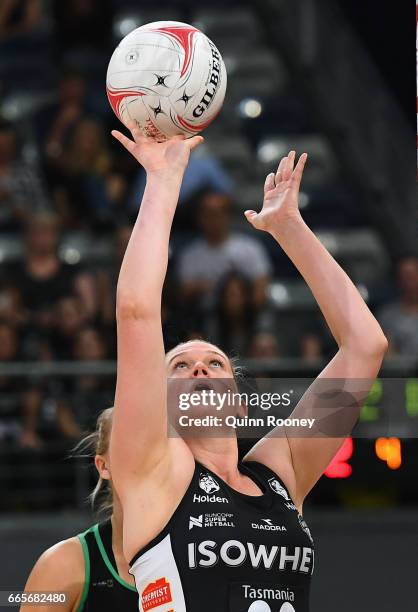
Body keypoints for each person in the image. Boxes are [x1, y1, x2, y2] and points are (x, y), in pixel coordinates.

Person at [108, 123, 387, 611]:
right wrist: (163, 179)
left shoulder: (280, 472)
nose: (199, 370)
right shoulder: (152, 469)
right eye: (179, 366)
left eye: (214, 363)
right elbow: (136, 311)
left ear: (236, 400)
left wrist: (289, 229)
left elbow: (365, 346)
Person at [22, 408, 138, 611]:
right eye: (130, 446)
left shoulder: (204, 556)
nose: (144, 457)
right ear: (103, 466)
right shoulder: (62, 565)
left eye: (156, 446)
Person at [378, 256, 418, 356]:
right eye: (405, 277)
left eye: (413, 276)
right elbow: (386, 354)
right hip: (401, 370)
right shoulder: (387, 315)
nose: (410, 283)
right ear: (398, 281)